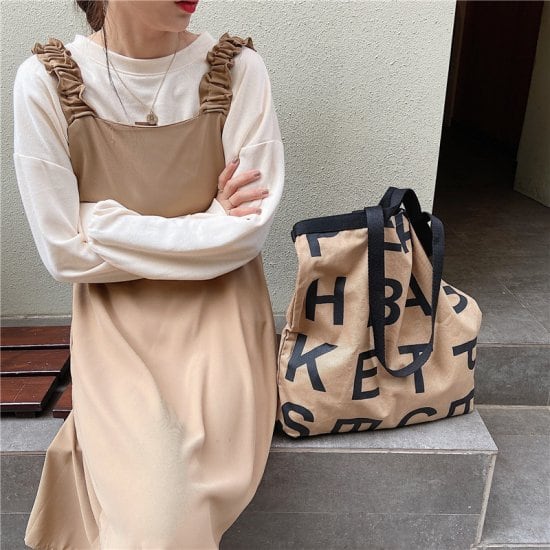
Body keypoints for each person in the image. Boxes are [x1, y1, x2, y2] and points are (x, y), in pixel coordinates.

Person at [13, 0, 284, 548]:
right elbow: (63, 254)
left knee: (175, 499)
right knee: (156, 516)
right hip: (114, 326)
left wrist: (100, 221)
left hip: (223, 315)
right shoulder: (45, 82)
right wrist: (209, 222)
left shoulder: (237, 71)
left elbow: (244, 235)